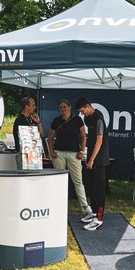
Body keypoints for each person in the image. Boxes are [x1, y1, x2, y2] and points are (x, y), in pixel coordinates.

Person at [48, 99, 92, 215]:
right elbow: (50, 137)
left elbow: (83, 137)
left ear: (69, 107)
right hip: (59, 154)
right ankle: (58, 205)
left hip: (74, 154)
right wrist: (51, 151)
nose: (63, 109)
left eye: (64, 107)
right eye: (61, 107)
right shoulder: (56, 120)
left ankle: (84, 206)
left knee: (78, 181)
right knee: (59, 181)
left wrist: (82, 151)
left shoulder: (77, 120)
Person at [75, 97, 109, 231]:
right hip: (92, 158)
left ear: (88, 106)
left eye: (83, 111)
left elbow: (99, 141)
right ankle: (94, 213)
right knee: (93, 187)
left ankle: (99, 219)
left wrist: (91, 160)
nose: (82, 114)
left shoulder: (99, 118)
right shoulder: (89, 119)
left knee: (100, 189)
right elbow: (91, 138)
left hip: (100, 159)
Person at [13, 96, 44, 168]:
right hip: (24, 153)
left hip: (34, 154)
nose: (35, 107)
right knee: (23, 177)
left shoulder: (33, 119)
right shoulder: (19, 120)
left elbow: (42, 134)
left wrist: (38, 123)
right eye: (33, 105)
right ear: (27, 106)